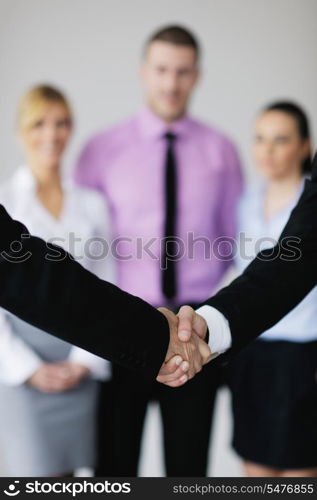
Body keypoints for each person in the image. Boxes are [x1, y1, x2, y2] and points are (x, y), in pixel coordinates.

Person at [74, 24, 243, 476]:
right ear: (144, 72)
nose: (171, 83)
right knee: (114, 467)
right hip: (121, 325)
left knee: (188, 472)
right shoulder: (100, 150)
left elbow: (235, 246)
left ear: (197, 76)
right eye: (162, 70)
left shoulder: (221, 152)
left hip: (194, 331)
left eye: (183, 72)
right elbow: (82, 246)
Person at [0, 84, 114, 476]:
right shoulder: (6, 202)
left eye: (61, 123)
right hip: (21, 371)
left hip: (79, 362)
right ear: (20, 132)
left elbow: (106, 285)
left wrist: (84, 362)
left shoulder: (92, 204)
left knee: (81, 476)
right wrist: (27, 367)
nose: (51, 134)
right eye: (39, 124)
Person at [228, 101, 317, 477]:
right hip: (253, 355)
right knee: (256, 471)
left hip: (304, 358)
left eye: (280, 140)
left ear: (304, 147)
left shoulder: (311, 209)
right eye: (260, 139)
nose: (267, 150)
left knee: (300, 472)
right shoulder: (243, 204)